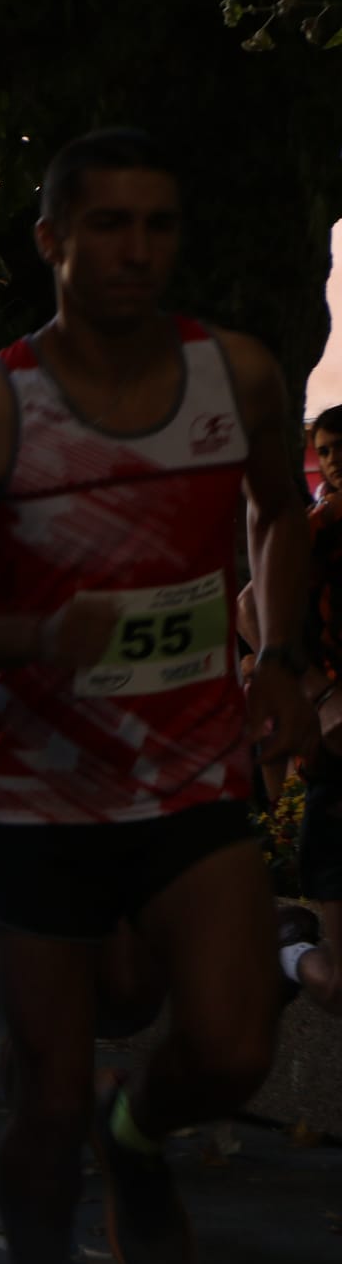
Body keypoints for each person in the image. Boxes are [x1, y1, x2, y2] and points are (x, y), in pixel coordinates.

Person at [0, 129, 310, 1264]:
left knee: (231, 1052)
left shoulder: (235, 373)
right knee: (45, 1104)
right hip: (40, 793)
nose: (135, 252)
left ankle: (141, 1134)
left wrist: (275, 652)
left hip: (187, 772)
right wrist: (35, 639)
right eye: (107, 227)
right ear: (51, 243)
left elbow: (279, 516)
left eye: (157, 226)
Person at [282, 402, 342, 1015]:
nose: (335, 461)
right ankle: (283, 954)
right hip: (334, 760)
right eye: (325, 450)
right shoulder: (315, 528)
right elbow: (253, 611)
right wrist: (323, 697)